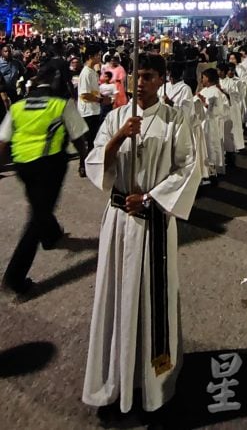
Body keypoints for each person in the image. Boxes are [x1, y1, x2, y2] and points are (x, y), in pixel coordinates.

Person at [82, 54, 200, 417]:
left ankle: (153, 383)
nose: (141, 82)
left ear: (162, 80)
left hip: (154, 222)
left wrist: (151, 197)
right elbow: (94, 163)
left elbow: (189, 168)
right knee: (117, 295)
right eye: (137, 76)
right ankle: (114, 380)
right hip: (119, 221)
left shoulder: (175, 120)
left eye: (149, 76)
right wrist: (118, 138)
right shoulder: (117, 117)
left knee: (152, 298)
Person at [0, 64, 88, 297]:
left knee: (40, 206)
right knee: (38, 216)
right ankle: (15, 277)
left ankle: (51, 235)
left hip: (22, 165)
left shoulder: (18, 106)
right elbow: (78, 136)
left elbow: (3, 140)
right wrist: (83, 161)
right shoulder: (61, 105)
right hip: (50, 165)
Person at [77, 45, 102, 177]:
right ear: (91, 56)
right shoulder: (86, 72)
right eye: (98, 55)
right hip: (88, 112)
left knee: (92, 141)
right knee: (88, 141)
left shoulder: (92, 72)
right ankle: (83, 166)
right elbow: (84, 94)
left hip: (94, 110)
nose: (99, 57)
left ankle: (88, 165)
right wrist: (100, 100)